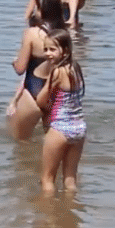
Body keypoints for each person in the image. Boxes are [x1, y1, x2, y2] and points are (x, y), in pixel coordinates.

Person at [8, 0, 65, 141]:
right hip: (55, 93)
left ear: (43, 10)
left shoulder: (31, 33)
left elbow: (20, 69)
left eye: (37, 7)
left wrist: (14, 62)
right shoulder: (64, 35)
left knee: (20, 144)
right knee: (52, 141)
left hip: (33, 90)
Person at [35, 29, 86, 194]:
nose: (48, 54)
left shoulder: (57, 71)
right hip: (79, 128)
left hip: (60, 129)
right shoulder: (76, 69)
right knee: (70, 179)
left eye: (52, 49)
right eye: (45, 49)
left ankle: (49, 216)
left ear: (65, 50)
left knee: (47, 179)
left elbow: (41, 100)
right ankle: (70, 214)